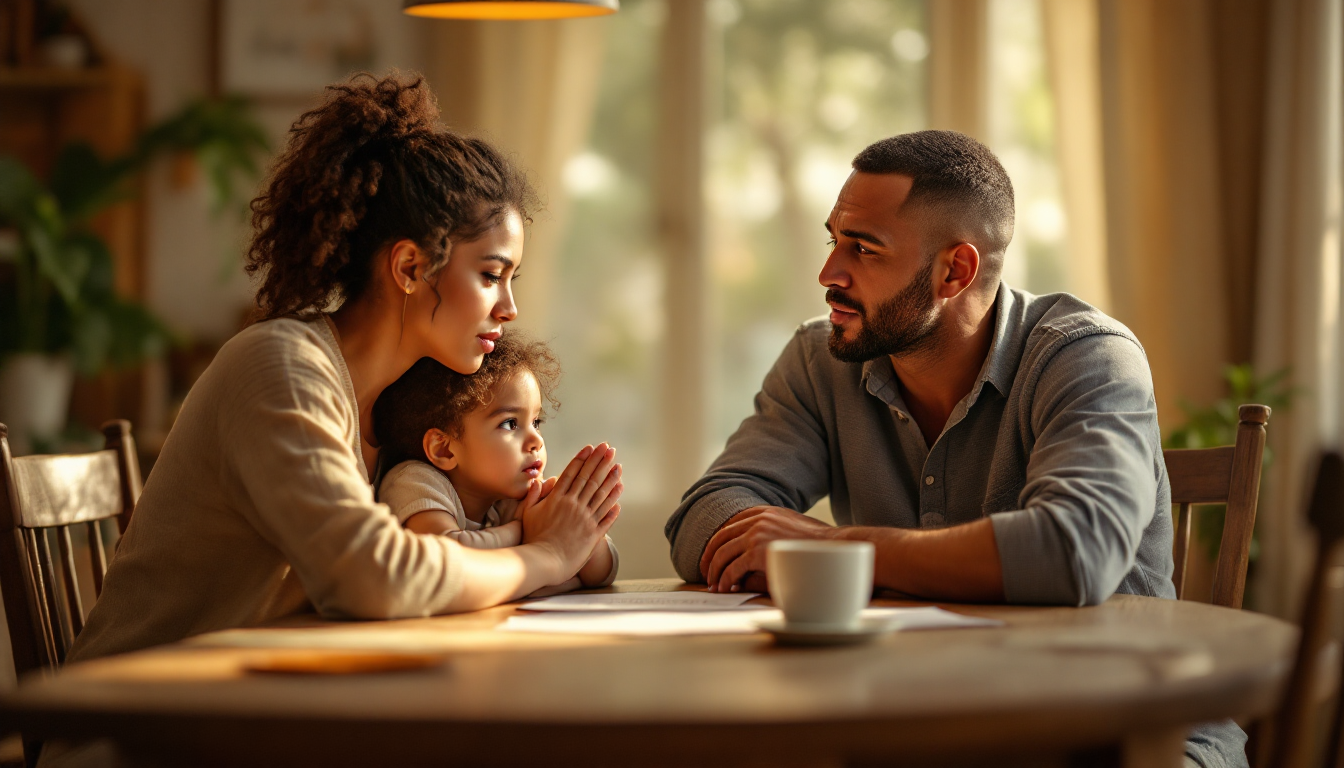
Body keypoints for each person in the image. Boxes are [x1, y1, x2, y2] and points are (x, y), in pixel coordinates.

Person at [664, 130, 1245, 768]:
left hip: (1120, 735)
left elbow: (1073, 552)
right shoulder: (820, 359)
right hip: (926, 727)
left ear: (955, 271)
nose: (829, 273)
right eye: (835, 240)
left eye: (864, 248)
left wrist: (833, 549)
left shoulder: (1087, 357)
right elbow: (704, 517)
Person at [67, 72, 621, 664]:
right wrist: (543, 552)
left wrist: (554, 528)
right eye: (490, 275)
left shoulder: (402, 401)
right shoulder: (280, 368)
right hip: (133, 735)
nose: (509, 309)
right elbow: (374, 577)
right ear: (410, 267)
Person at [373, 332, 619, 592]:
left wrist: (577, 528)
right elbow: (447, 557)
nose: (536, 439)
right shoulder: (414, 481)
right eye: (510, 424)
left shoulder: (510, 497)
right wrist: (533, 535)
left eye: (536, 422)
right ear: (444, 449)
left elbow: (604, 573)